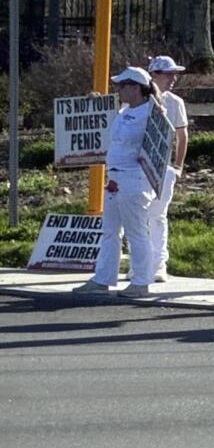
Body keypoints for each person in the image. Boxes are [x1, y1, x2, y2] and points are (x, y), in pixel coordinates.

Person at [74, 67, 162, 298]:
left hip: (134, 178)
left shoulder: (152, 114)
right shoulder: (124, 112)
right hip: (115, 177)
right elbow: (106, 114)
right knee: (110, 231)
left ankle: (141, 282)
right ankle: (102, 278)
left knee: (136, 231)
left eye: (123, 86)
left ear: (135, 88)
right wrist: (96, 102)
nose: (119, 90)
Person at [146, 55, 189, 283]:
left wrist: (178, 165)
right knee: (138, 218)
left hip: (164, 168)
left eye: (174, 74)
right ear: (154, 75)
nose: (173, 78)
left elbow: (182, 135)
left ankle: (158, 265)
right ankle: (140, 264)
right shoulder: (139, 99)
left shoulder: (175, 102)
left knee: (158, 216)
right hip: (140, 168)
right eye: (168, 73)